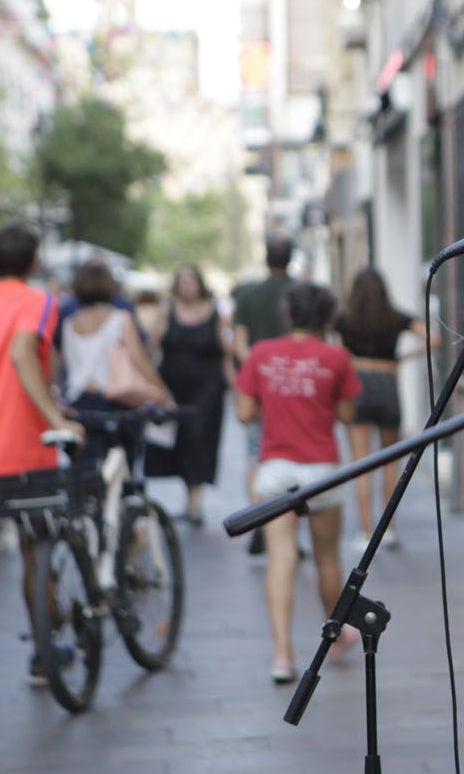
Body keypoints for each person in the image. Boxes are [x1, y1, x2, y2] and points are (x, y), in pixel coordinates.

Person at [0, 223, 85, 709]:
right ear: (32, 261)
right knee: (36, 553)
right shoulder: (39, 301)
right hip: (25, 449)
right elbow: (24, 350)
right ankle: (43, 656)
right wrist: (57, 419)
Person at [235, 282, 361, 683]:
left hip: (275, 468)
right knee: (327, 558)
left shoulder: (260, 354)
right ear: (326, 318)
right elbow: (346, 414)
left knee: (281, 559)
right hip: (321, 469)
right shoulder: (337, 357)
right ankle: (336, 635)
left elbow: (242, 413)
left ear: (288, 314)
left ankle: (282, 655)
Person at [334, 267, 435, 551]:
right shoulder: (396, 317)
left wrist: (346, 359)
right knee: (390, 461)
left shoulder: (344, 318)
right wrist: (401, 358)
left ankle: (366, 532)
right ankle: (387, 529)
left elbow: (323, 339)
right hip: (388, 384)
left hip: (356, 385)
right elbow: (434, 339)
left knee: (361, 462)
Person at [144, 264, 231, 527]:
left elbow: (226, 350)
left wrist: (235, 383)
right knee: (178, 441)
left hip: (207, 389)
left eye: (191, 281)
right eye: (182, 281)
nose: (187, 286)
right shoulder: (167, 310)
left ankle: (196, 503)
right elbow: (151, 345)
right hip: (173, 388)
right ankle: (187, 497)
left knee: (200, 439)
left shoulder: (216, 311)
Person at [58, 260, 171, 462]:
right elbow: (140, 361)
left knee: (86, 472)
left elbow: (63, 363)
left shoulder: (69, 322)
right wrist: (163, 393)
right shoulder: (120, 318)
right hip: (115, 402)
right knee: (122, 468)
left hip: (79, 401)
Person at [231, 236, 295, 555]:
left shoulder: (248, 296)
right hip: (295, 387)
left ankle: (258, 519)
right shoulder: (300, 294)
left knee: (256, 453)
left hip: (258, 387)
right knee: (292, 454)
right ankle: (286, 527)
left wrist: (257, 370)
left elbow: (239, 344)